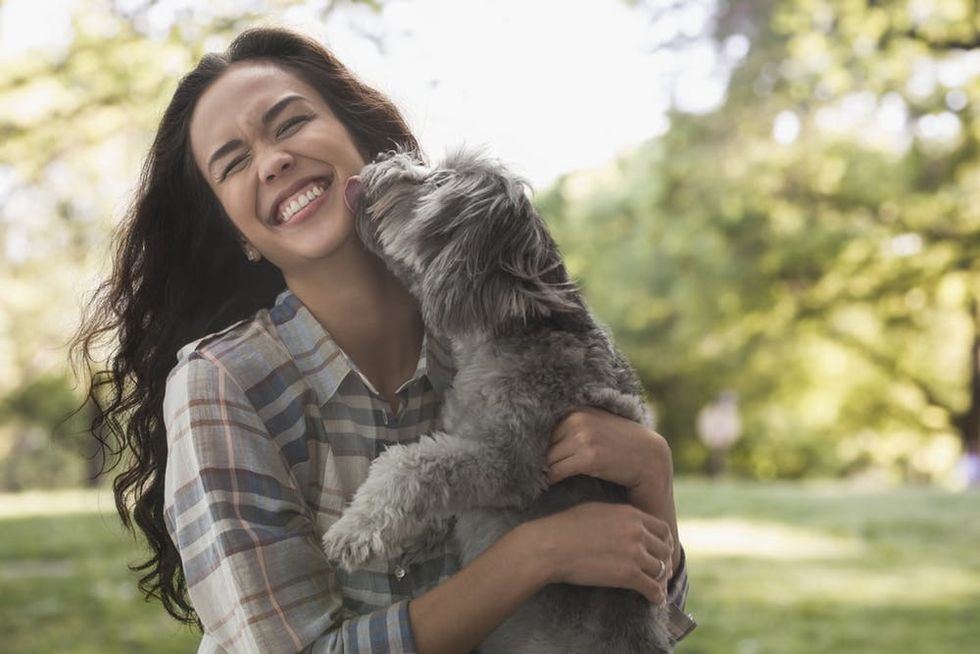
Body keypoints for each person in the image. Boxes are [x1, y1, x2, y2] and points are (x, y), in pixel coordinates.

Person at [73, 26, 696, 653]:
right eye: (233, 162)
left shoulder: (497, 335)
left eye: (290, 123)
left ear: (364, 144)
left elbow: (631, 621)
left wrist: (652, 477)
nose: (272, 160)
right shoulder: (223, 384)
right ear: (240, 236)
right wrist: (534, 554)